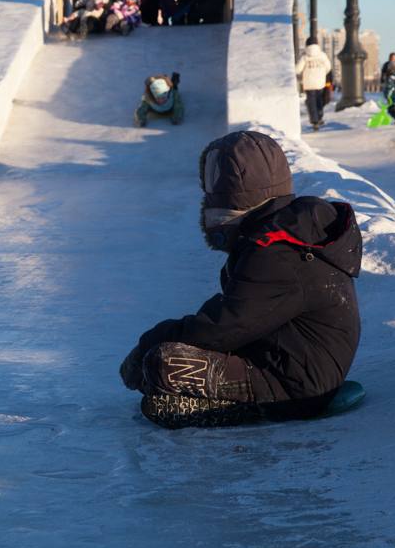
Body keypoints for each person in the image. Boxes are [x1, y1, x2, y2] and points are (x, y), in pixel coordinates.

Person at [119, 130, 361, 429]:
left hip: (297, 384)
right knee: (164, 367)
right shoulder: (286, 231)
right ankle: (223, 400)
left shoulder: (276, 252)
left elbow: (227, 326)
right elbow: (241, 306)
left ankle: (252, 409)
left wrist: (152, 340)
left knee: (164, 361)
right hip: (286, 360)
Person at [296, 37, 332, 131]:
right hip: (320, 82)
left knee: (311, 102)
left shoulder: (305, 57)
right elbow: (328, 67)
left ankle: (314, 121)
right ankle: (319, 117)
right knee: (319, 100)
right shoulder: (322, 55)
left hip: (308, 83)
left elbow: (298, 69)